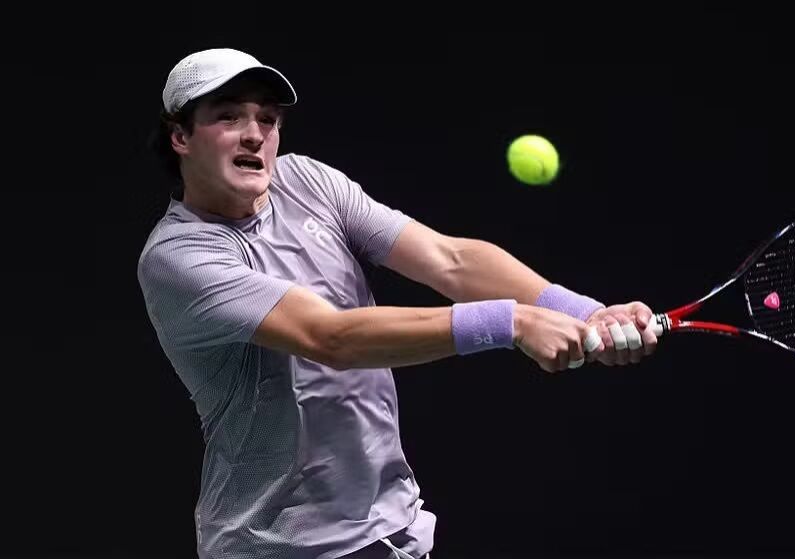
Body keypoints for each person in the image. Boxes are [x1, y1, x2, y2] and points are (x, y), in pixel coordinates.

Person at [137, 47, 659, 559]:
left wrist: (585, 312)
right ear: (180, 136)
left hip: (392, 527)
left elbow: (449, 259)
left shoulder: (308, 182)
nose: (255, 133)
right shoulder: (179, 256)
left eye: (268, 119)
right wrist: (511, 321)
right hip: (281, 547)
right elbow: (330, 338)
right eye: (228, 117)